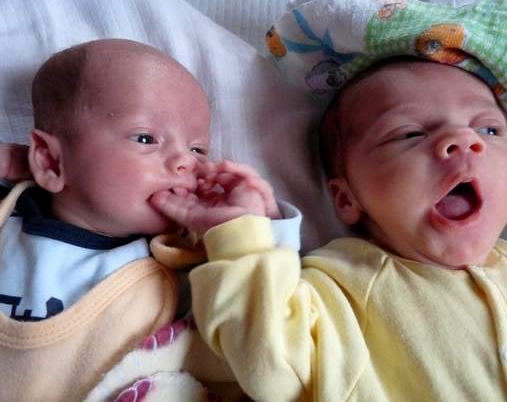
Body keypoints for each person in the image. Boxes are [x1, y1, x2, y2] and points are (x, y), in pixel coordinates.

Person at [141, 0, 507, 400]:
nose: (465, 141)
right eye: (410, 133)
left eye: (490, 129)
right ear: (346, 199)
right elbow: (270, 364)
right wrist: (241, 240)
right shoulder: (343, 286)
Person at [0, 38, 293, 402]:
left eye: (198, 149)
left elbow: (267, 322)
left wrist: (251, 225)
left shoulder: (192, 253)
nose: (186, 162)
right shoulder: (10, 211)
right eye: (146, 138)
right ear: (50, 159)